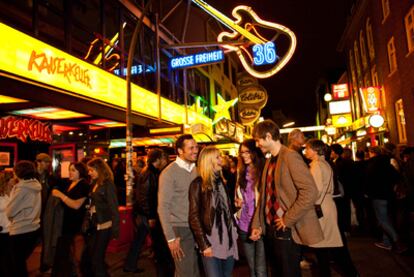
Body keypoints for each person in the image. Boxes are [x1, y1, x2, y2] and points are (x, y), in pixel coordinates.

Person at [250, 119, 323, 277]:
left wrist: (287, 219)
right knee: (277, 272)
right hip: (271, 229)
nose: (257, 145)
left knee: (288, 272)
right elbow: (265, 196)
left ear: (268, 137)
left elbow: (310, 191)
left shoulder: (290, 157)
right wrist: (257, 224)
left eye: (258, 140)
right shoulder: (270, 160)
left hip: (286, 230)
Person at [304, 139, 358, 277]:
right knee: (329, 244)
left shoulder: (316, 165)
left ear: (315, 150)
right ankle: (349, 271)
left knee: (322, 246)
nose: (306, 151)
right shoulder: (325, 163)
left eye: (308, 148)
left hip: (320, 206)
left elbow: (316, 190)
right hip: (327, 204)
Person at [189, 146, 239, 277]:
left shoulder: (221, 182)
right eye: (217, 157)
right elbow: (194, 217)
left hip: (228, 238)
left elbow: (226, 210)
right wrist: (204, 245)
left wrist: (234, 227)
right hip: (210, 240)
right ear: (209, 161)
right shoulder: (197, 184)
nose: (221, 160)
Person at [124, 148, 173, 275]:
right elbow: (145, 197)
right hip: (147, 215)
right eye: (163, 158)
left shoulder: (151, 172)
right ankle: (131, 265)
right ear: (157, 159)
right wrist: (151, 216)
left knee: (139, 240)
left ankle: (130, 264)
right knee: (150, 242)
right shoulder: (150, 173)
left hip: (145, 214)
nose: (165, 161)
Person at [158, 134, 200, 277]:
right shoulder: (168, 173)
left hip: (197, 227)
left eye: (196, 147)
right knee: (185, 272)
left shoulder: (197, 170)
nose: (195, 150)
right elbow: (162, 207)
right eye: (191, 148)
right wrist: (170, 238)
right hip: (180, 230)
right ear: (180, 151)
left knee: (194, 270)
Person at [81, 158, 120, 276]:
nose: (89, 173)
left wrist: (115, 230)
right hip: (94, 226)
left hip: (105, 226)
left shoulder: (108, 184)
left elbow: (114, 208)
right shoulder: (95, 183)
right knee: (94, 258)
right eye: (89, 170)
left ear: (99, 169)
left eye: (91, 170)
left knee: (97, 259)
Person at [51, 162, 90, 277]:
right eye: (69, 170)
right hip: (66, 222)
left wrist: (60, 195)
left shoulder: (84, 185)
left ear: (80, 172)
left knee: (75, 252)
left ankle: (78, 272)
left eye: (73, 170)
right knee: (66, 252)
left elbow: (76, 205)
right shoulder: (71, 183)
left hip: (76, 223)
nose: (70, 172)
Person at [365, 146, 407, 253]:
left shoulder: (372, 165)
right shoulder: (387, 164)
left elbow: (368, 181)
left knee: (382, 220)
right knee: (386, 219)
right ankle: (386, 242)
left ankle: (397, 241)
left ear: (372, 153)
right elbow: (397, 176)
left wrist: (367, 192)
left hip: (377, 196)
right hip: (388, 195)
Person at [234, 139, 266, 277]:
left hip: (258, 225)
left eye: (247, 152)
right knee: (252, 269)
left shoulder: (263, 170)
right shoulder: (241, 170)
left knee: (260, 269)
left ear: (255, 152)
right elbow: (238, 196)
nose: (244, 155)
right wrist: (237, 202)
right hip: (244, 225)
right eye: (242, 152)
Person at [7, 160, 42, 277]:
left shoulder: (21, 188)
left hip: (20, 229)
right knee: (21, 263)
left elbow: (10, 211)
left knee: (17, 265)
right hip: (34, 228)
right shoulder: (35, 185)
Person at [0, 170, 14, 276]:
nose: (15, 180)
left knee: (10, 257)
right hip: (2, 230)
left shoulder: (15, 192)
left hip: (12, 229)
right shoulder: (0, 195)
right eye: (12, 178)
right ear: (6, 180)